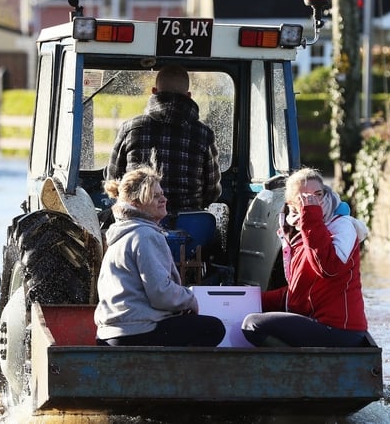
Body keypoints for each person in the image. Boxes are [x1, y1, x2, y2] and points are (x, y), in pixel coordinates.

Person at [94, 165, 225, 346]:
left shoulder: (119, 235)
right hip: (137, 331)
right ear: (136, 203)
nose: (163, 199)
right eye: (155, 196)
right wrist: (190, 299)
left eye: (162, 193)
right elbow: (160, 293)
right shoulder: (146, 236)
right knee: (214, 328)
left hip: (109, 333)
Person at [241, 168, 371, 347]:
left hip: (339, 329)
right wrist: (248, 301)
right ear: (291, 204)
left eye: (318, 194)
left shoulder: (342, 226)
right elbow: (299, 292)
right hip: (315, 322)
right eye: (304, 198)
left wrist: (310, 214)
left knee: (253, 325)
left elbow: (328, 268)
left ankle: (293, 365)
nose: (314, 201)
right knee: (247, 317)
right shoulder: (302, 232)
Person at [105, 65, 222, 215]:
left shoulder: (130, 129)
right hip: (190, 223)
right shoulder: (204, 134)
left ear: (154, 92)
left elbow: (113, 180)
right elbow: (212, 190)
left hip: (138, 220)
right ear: (188, 96)